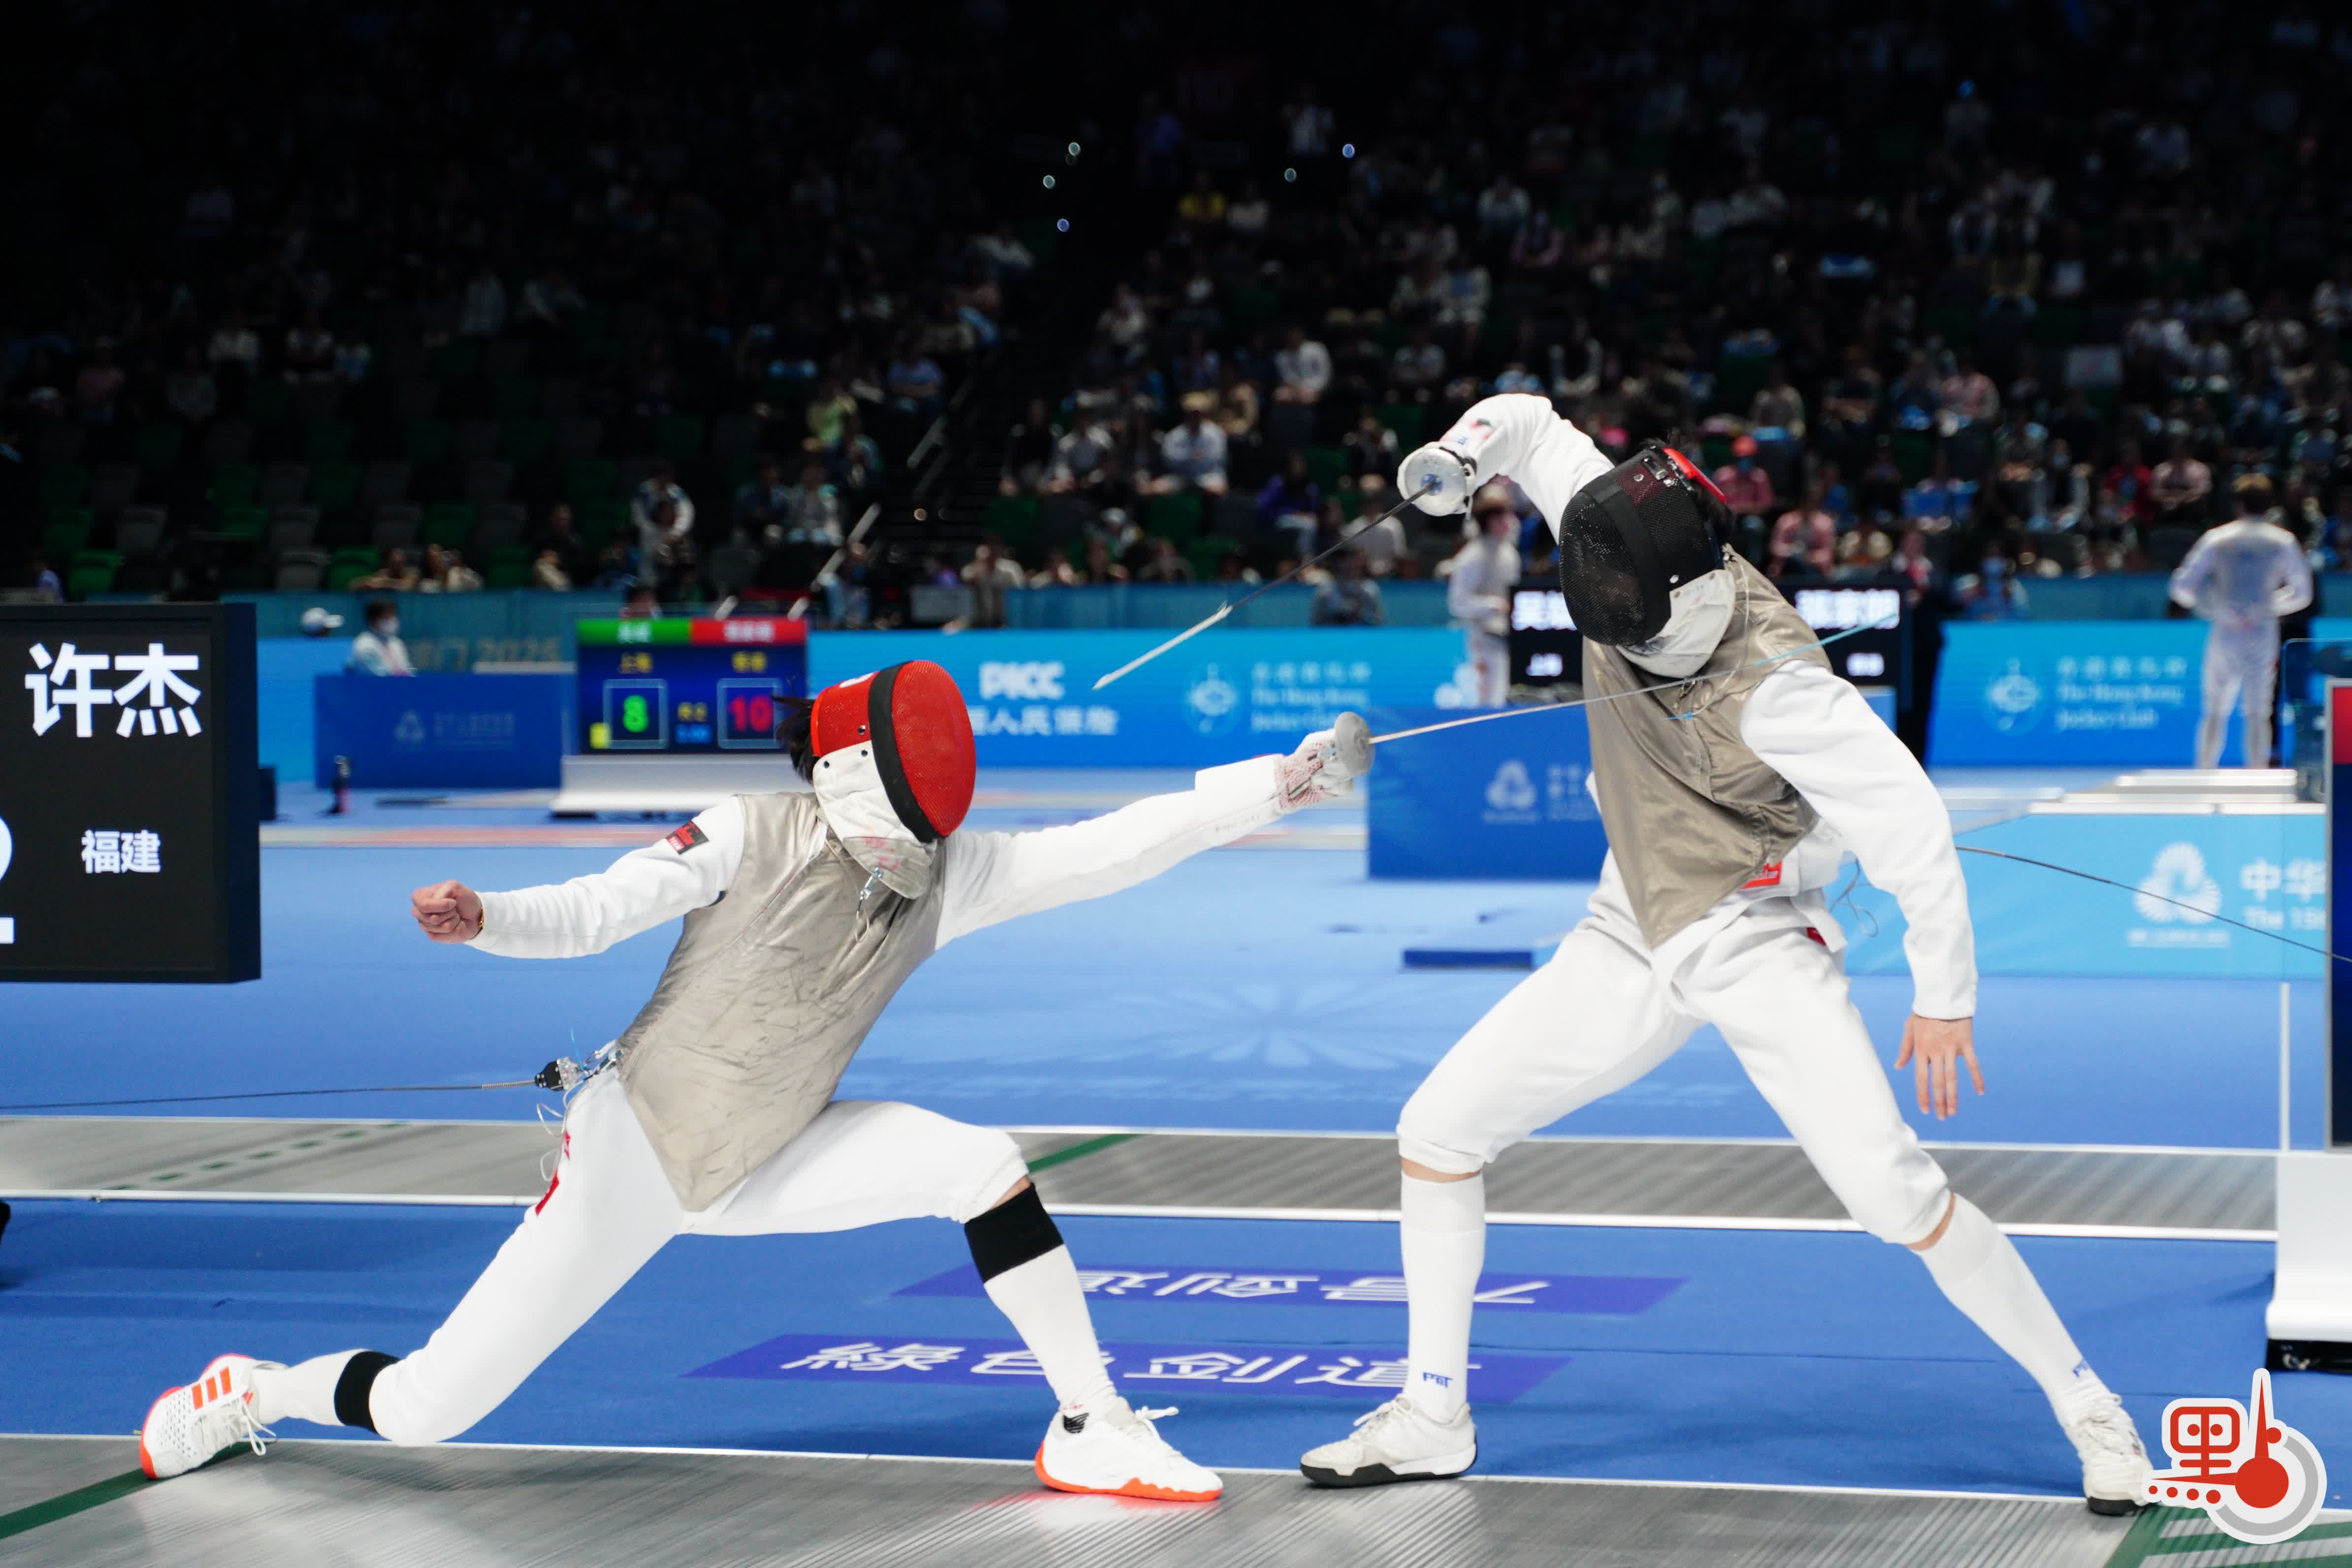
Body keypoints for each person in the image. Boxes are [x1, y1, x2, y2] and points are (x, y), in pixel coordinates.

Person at [138, 664, 1372, 1500]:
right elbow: (601, 906)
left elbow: (1111, 847)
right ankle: (255, 1387)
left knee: (981, 1165)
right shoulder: (746, 828)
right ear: (853, 772)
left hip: (776, 1149)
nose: (931, 831)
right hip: (637, 1154)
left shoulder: (948, 873)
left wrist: (1280, 782)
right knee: (429, 1406)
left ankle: (1092, 1422)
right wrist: (491, 914)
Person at [1298, 394, 2154, 1512]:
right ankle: (1432, 1413)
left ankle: (2089, 1403)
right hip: (1627, 922)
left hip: (1752, 937)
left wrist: (1944, 996)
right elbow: (1530, 422)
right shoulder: (1613, 527)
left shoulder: (1786, 692)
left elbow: (1912, 827)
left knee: (1893, 1193)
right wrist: (1458, 459)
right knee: (1438, 1129)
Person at [2169, 476, 2314, 769]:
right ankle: (2257, 773)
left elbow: (2181, 587)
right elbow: (2303, 594)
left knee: (2215, 708)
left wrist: (2213, 608)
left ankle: (2205, 771)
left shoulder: (2218, 538)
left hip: (2226, 630)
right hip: (2261, 631)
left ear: (2237, 505)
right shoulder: (2281, 541)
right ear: (2268, 505)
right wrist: (2267, 607)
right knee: (2258, 710)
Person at [1444, 487, 1522, 706]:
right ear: (1489, 522)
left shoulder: (1509, 554)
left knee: (1503, 697)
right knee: (1485, 700)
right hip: (1481, 639)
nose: (1509, 523)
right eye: (1501, 518)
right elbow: (1457, 602)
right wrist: (1491, 605)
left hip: (1507, 638)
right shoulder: (1472, 556)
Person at [348, 601, 412, 675]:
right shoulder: (364, 645)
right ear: (372, 621)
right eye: (386, 618)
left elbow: (408, 670)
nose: (392, 622)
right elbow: (378, 675)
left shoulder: (397, 643)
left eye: (394, 617)